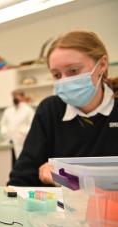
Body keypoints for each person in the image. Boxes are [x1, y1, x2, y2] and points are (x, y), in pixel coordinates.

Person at [8, 31, 118, 186]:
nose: (64, 81)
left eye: (73, 71)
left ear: (102, 64)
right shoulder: (50, 109)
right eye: (57, 75)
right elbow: (20, 180)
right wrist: (43, 174)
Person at [0, 90, 35, 165]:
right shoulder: (8, 110)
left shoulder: (28, 110)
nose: (15, 98)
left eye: (17, 96)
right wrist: (5, 132)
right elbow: (3, 124)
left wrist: (22, 132)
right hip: (9, 141)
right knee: (10, 163)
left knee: (22, 163)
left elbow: (33, 125)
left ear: (22, 97)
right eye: (13, 96)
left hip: (22, 141)